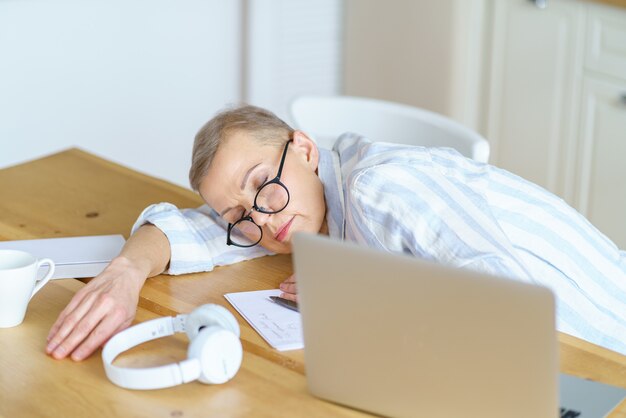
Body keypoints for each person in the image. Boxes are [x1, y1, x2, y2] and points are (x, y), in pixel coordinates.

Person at [46, 105, 626, 361]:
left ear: (302, 147)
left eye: (261, 186)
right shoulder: (293, 206)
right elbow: (192, 228)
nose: (264, 220)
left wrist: (361, 298)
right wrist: (126, 270)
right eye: (241, 216)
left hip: (597, 346)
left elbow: (512, 303)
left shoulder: (378, 187)